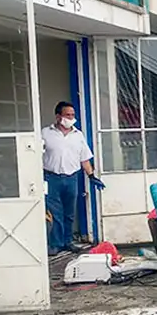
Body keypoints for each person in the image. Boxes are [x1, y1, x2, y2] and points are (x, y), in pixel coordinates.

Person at [42, 101, 104, 256]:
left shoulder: (78, 135)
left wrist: (91, 175)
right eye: (67, 115)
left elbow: (84, 158)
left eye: (72, 115)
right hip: (51, 178)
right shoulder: (45, 133)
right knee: (55, 213)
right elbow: (35, 154)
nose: (70, 118)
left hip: (71, 178)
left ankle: (68, 241)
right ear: (58, 116)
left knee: (69, 212)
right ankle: (56, 244)